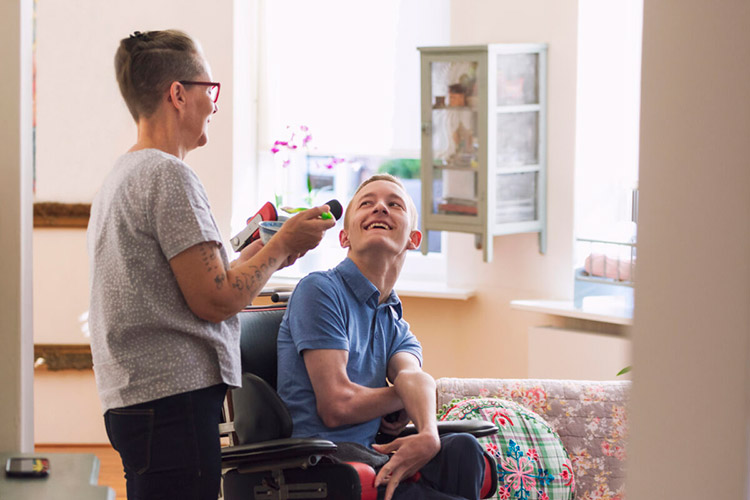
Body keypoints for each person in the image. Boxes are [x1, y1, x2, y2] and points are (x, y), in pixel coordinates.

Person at [87, 29, 335, 500]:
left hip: (141, 399)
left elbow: (189, 282)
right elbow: (216, 299)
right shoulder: (169, 175)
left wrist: (257, 253)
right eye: (210, 90)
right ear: (177, 94)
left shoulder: (124, 173)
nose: (215, 105)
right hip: (172, 403)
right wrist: (280, 246)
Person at [277, 174, 487, 500]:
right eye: (367, 203)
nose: (380, 209)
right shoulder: (319, 290)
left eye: (394, 204)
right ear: (344, 237)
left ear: (413, 239)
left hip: (371, 455)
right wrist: (403, 395)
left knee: (463, 449)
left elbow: (415, 378)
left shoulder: (393, 320)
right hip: (323, 463)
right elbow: (336, 404)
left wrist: (428, 433)